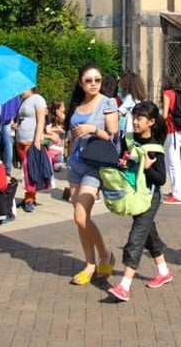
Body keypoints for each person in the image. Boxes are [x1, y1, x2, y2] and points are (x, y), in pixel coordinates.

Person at [107, 101, 173, 302]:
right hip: (133, 195)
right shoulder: (129, 140)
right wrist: (123, 163)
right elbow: (123, 160)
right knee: (148, 234)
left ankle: (124, 286)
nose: (135, 122)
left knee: (136, 237)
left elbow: (161, 179)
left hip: (149, 197)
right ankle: (163, 271)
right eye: (134, 117)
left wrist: (146, 167)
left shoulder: (154, 147)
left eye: (140, 118)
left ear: (151, 122)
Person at [64, 63, 120, 285]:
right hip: (75, 163)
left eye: (97, 79)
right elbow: (71, 136)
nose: (94, 84)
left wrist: (93, 130)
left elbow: (114, 138)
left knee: (80, 214)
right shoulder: (77, 106)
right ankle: (90, 263)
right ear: (81, 83)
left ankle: (105, 254)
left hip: (94, 164)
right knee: (81, 220)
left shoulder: (107, 103)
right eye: (89, 80)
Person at [14, 87, 47, 212]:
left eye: (24, 88)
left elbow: (41, 120)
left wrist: (37, 138)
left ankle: (30, 198)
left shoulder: (38, 99)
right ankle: (28, 195)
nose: (21, 91)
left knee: (30, 170)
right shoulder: (23, 101)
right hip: (20, 139)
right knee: (25, 170)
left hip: (30, 140)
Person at [160, 76, 181, 205]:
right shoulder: (180, 94)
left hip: (173, 131)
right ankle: (175, 191)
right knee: (172, 162)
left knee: (173, 164)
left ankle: (177, 194)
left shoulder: (167, 94)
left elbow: (164, 115)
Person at [117, 72, 147, 138]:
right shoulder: (137, 98)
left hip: (129, 131)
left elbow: (119, 113)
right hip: (137, 130)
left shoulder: (130, 98)